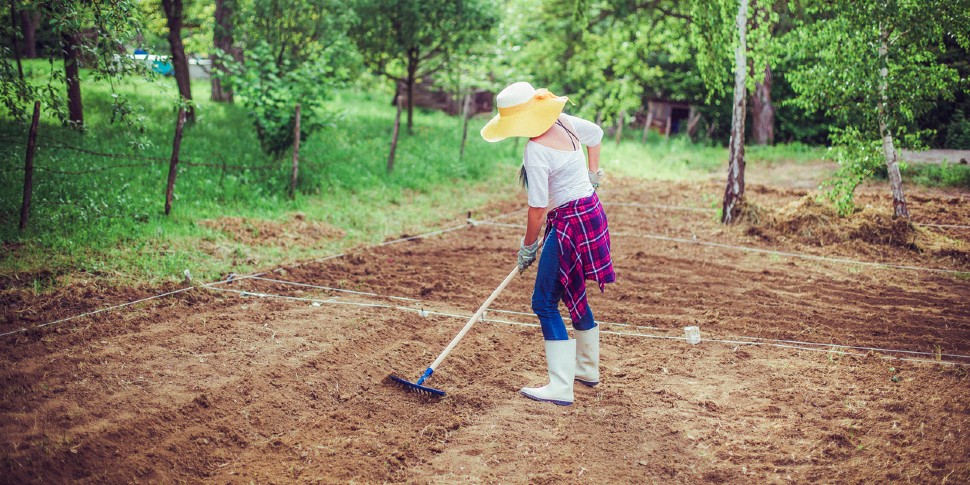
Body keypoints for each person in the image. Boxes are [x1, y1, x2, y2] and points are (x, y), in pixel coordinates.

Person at [481, 81, 615, 406]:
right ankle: (586, 369)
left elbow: (538, 208)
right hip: (589, 213)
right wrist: (592, 174)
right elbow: (595, 134)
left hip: (570, 222)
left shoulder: (536, 149)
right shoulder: (564, 121)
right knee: (571, 291)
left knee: (543, 302)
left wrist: (528, 246)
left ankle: (560, 386)